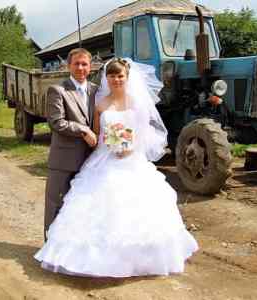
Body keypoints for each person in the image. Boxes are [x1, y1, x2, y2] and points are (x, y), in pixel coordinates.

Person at [35, 58, 198, 277]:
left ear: (127, 77)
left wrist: (130, 147)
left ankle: (140, 258)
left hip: (132, 160)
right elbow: (96, 134)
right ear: (106, 78)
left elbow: (145, 132)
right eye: (111, 76)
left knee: (136, 209)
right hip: (104, 159)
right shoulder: (100, 104)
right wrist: (109, 144)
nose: (116, 80)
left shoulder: (137, 103)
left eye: (120, 76)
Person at [44, 48, 98, 241]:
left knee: (80, 206)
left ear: (90, 67)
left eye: (85, 64)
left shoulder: (95, 90)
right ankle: (50, 248)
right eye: (77, 63)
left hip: (90, 161)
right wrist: (84, 130)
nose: (81, 68)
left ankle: (73, 249)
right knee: (56, 204)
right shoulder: (57, 90)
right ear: (68, 66)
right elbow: (56, 122)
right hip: (64, 160)